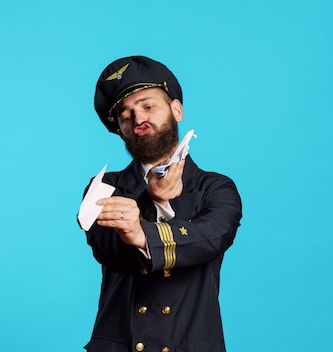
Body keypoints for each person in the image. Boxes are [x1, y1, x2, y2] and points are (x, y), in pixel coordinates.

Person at [80, 56, 243, 352]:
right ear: (119, 129)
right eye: (126, 116)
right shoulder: (103, 188)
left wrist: (143, 227)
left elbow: (210, 239)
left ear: (176, 109)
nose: (138, 119)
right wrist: (151, 199)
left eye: (148, 105)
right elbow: (111, 253)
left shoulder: (216, 188)